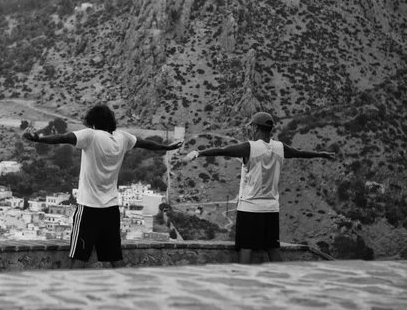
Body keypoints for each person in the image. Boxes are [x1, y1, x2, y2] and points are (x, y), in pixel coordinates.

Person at [23, 104, 183, 269]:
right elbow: (146, 144)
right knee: (115, 257)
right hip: (111, 209)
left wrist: (39, 139)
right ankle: (127, 290)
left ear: (93, 121)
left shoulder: (90, 135)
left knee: (79, 257)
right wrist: (167, 147)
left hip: (89, 208)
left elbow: (64, 137)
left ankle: (71, 291)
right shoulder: (122, 138)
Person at [182, 112, 335, 264]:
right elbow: (300, 153)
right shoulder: (280, 148)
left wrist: (198, 153)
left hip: (250, 208)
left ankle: (245, 281)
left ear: (255, 127)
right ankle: (284, 281)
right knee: (272, 248)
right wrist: (321, 154)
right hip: (271, 208)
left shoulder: (250, 148)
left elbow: (223, 150)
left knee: (246, 248)